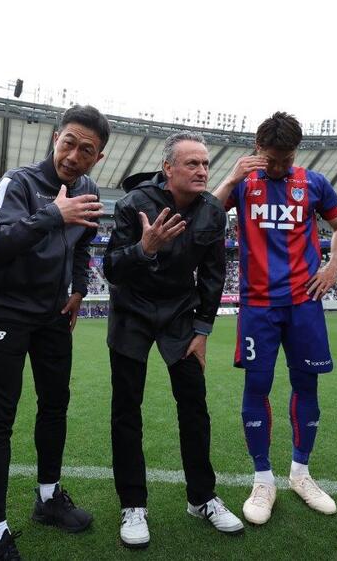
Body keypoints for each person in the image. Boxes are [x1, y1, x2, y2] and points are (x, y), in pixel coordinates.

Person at [0, 105, 109, 560]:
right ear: (55, 138)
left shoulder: (89, 189)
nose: (74, 156)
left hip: (54, 316)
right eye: (69, 142)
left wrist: (79, 289)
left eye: (86, 150)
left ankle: (48, 498)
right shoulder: (19, 181)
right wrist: (53, 213)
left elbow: (84, 243)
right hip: (9, 313)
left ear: (99, 157)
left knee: (55, 406)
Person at [105, 131, 244, 549]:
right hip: (131, 311)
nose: (202, 170)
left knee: (194, 406)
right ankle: (133, 504)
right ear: (168, 168)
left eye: (205, 164)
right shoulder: (133, 204)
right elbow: (112, 268)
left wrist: (203, 331)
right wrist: (144, 248)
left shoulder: (213, 212)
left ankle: (202, 498)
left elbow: (214, 275)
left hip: (181, 314)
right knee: (126, 410)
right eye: (192, 163)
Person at [211, 111, 337, 525]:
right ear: (258, 149)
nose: (277, 167)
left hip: (304, 302)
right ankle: (263, 479)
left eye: (286, 159)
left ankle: (301, 473)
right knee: (257, 385)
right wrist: (231, 178)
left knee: (307, 384)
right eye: (271, 159)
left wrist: (333, 267)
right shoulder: (244, 183)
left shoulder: (314, 183)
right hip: (258, 305)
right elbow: (206, 214)